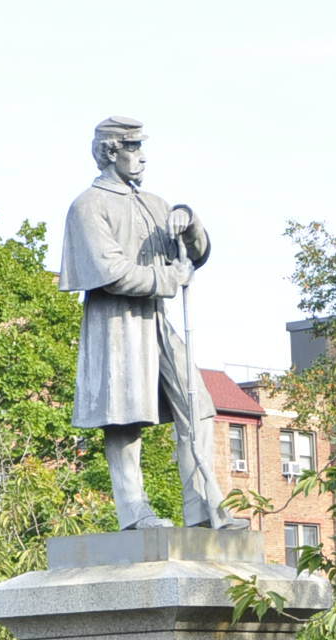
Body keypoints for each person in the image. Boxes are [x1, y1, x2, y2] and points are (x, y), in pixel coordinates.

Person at [60, 116, 246, 532]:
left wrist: (189, 220)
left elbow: (195, 254)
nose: (142, 157)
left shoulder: (154, 203)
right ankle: (134, 511)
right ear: (111, 152)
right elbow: (111, 272)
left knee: (196, 404)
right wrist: (168, 279)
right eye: (133, 148)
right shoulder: (87, 206)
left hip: (157, 322)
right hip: (116, 325)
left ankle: (203, 508)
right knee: (123, 417)